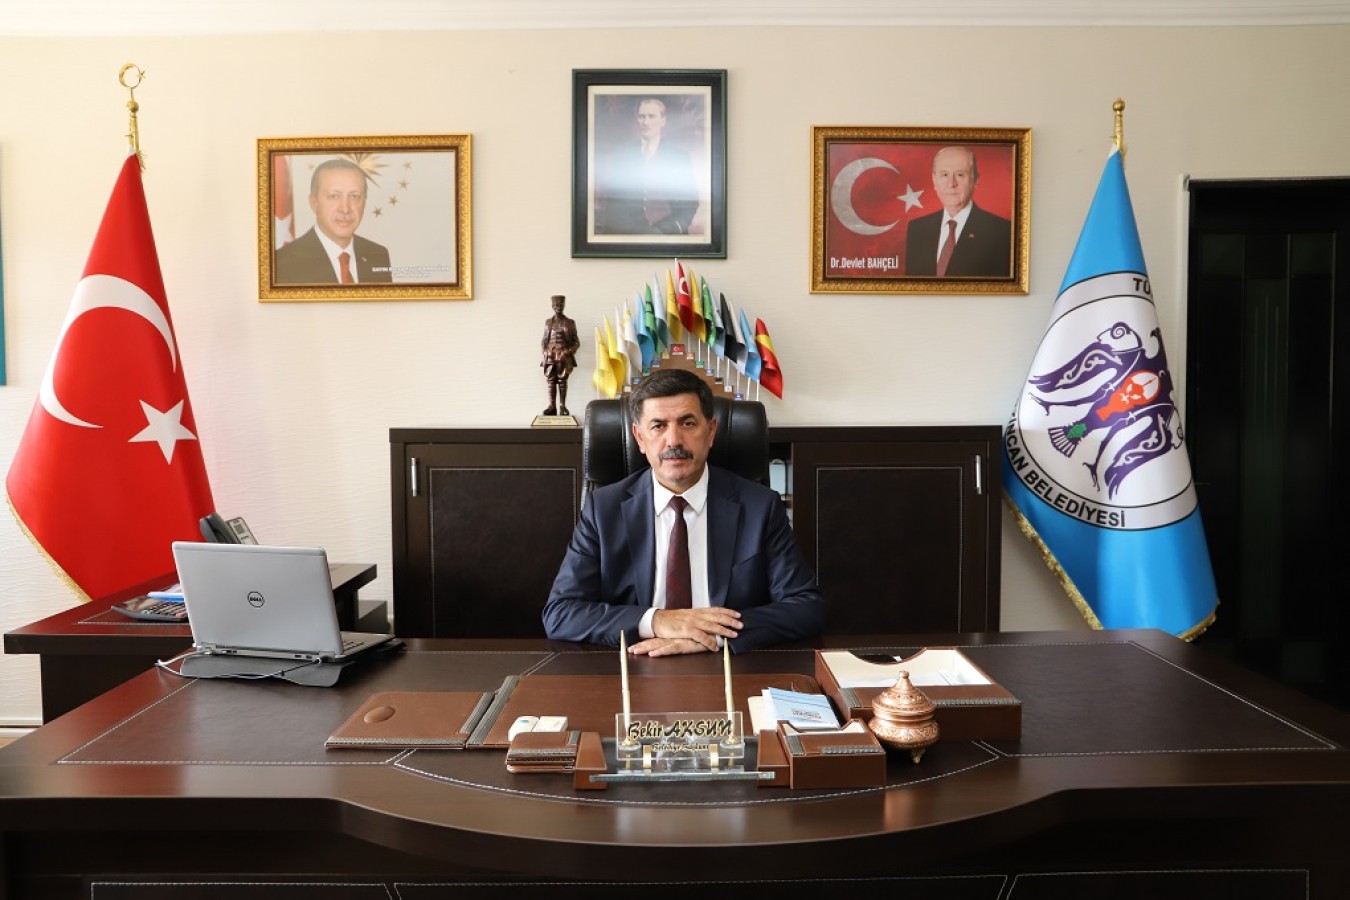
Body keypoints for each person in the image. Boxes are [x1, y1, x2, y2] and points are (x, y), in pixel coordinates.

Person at [542, 369, 826, 656]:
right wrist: (657, 621)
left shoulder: (759, 507)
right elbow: (561, 613)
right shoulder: (603, 510)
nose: (674, 441)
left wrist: (711, 634)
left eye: (687, 423)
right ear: (639, 438)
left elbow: (806, 607)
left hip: (727, 663)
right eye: (658, 426)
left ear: (711, 432)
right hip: (634, 663)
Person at [274, 158, 393, 284]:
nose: (345, 209)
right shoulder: (283, 264)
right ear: (313, 202)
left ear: (364, 202)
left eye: (355, 196)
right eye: (334, 196)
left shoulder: (378, 255)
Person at [594, 98, 699, 236]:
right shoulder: (622, 155)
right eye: (641, 117)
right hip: (630, 233)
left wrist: (664, 230)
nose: (646, 122)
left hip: (667, 232)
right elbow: (613, 205)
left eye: (651, 116)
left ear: (663, 121)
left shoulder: (679, 156)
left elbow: (690, 205)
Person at [904, 146, 1012, 278]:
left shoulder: (1001, 232)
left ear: (975, 179)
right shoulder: (917, 229)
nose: (951, 183)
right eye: (944, 174)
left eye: (960, 174)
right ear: (934, 180)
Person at [540, 294, 580, 416]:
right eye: (556, 305)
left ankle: (562, 406)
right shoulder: (548, 322)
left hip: (563, 355)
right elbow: (544, 341)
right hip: (550, 355)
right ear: (552, 306)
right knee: (551, 380)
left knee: (563, 380)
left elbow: (576, 342)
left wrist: (567, 351)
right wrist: (545, 351)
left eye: (561, 305)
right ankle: (552, 406)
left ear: (564, 305)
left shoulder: (570, 323)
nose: (558, 307)